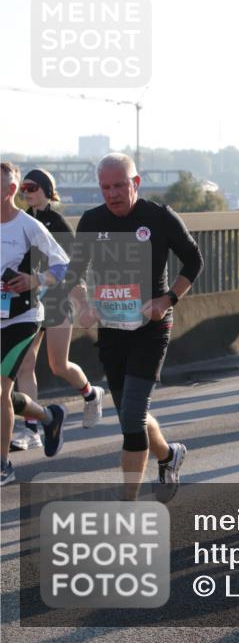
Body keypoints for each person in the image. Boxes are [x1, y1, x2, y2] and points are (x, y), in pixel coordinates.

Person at [68, 152, 203, 501]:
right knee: (133, 414)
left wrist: (167, 300)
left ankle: (126, 506)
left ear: (136, 183)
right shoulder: (91, 220)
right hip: (112, 329)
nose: (112, 194)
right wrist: (82, 304)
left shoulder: (158, 217)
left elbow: (194, 260)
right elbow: (74, 272)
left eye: (119, 185)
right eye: (105, 187)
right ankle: (170, 455)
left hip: (151, 328)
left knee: (131, 419)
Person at [13, 169, 104, 452]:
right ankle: (32, 430)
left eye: (31, 188)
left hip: (56, 301)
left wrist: (82, 303)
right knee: (26, 364)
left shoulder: (58, 223)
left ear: (45, 189)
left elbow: (72, 267)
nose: (26, 193)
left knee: (58, 365)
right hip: (30, 303)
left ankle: (91, 394)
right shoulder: (23, 220)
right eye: (23, 189)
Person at [1, 162, 71, 485]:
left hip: (23, 318)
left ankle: (3, 465)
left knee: (1, 387)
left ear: (9, 191)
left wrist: (34, 280)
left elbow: (62, 265)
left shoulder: (29, 227)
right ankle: (48, 416)